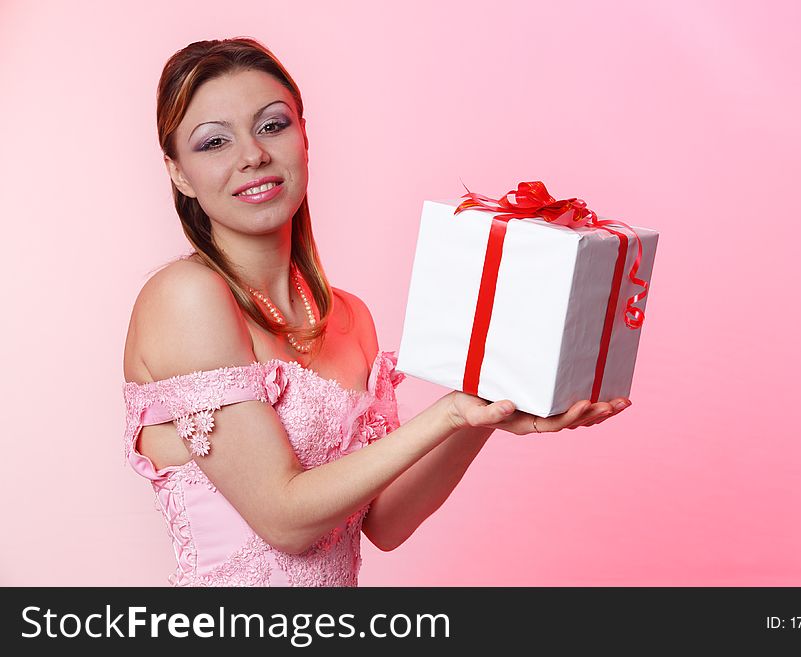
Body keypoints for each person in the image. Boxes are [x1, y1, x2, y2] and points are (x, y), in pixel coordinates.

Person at [122, 37, 632, 587]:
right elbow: (284, 521)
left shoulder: (349, 317)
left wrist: (481, 409)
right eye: (214, 142)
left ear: (304, 137)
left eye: (272, 125)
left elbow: (386, 522)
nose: (253, 155)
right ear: (177, 173)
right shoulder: (186, 297)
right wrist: (450, 415)